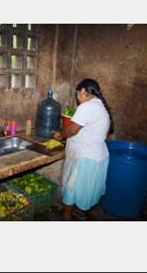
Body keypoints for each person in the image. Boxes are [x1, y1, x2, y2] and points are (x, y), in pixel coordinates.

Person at [53, 78, 114, 220]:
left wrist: (60, 135)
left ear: (83, 91)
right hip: (97, 155)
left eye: (77, 93)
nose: (77, 97)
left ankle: (66, 217)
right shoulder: (99, 105)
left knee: (71, 186)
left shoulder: (86, 107)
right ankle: (81, 212)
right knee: (85, 188)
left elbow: (72, 130)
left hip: (84, 156)